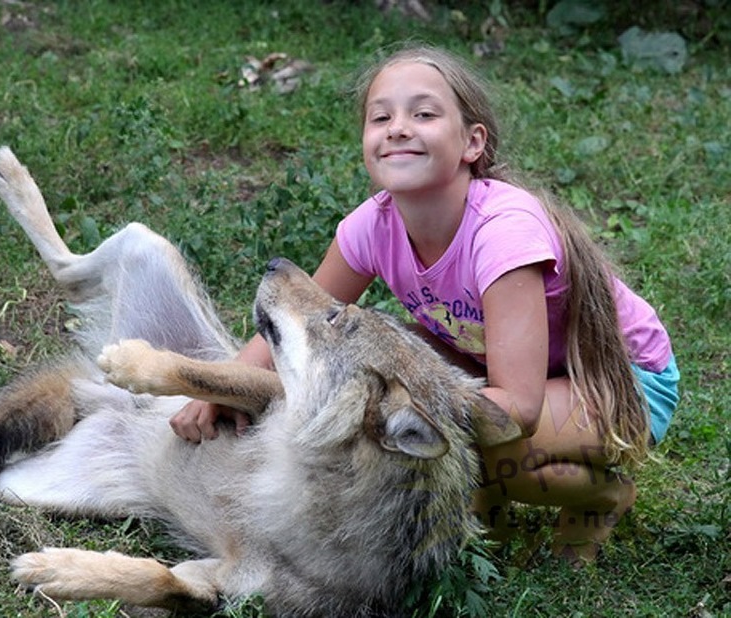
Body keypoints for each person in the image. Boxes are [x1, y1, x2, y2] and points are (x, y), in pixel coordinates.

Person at [170, 44, 679, 565]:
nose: (397, 127)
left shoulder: (503, 236)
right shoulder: (372, 226)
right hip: (498, 368)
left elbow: (519, 408)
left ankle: (599, 496)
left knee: (461, 451)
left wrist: (389, 418)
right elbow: (305, 317)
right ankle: (491, 520)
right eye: (380, 116)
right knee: (417, 439)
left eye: (424, 113)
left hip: (618, 380)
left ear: (472, 142)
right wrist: (216, 387)